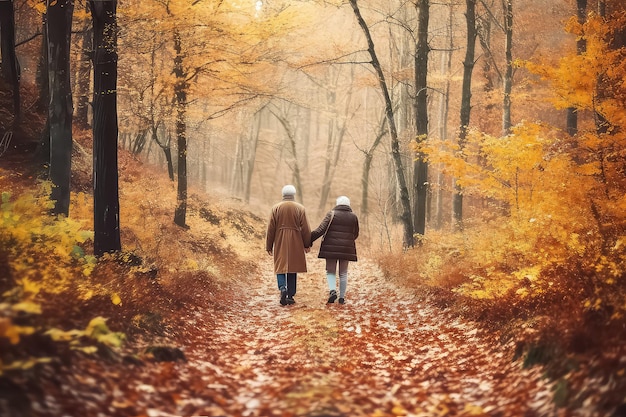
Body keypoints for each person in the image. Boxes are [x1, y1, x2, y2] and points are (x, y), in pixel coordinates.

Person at [266, 185, 311, 305]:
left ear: (283, 194)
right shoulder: (300, 208)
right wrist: (307, 243)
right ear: (294, 194)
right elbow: (305, 228)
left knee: (280, 264)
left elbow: (271, 228)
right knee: (293, 265)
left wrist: (269, 245)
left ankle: (282, 288)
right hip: (295, 239)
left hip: (279, 238)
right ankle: (290, 294)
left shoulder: (275, 208)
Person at [310, 195, 359, 304]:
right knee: (343, 273)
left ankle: (332, 290)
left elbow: (320, 230)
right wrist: (348, 241)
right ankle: (341, 298)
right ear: (348, 205)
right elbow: (355, 234)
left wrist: (308, 239)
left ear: (337, 204)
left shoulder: (331, 214)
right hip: (347, 248)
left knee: (330, 271)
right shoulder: (353, 217)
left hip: (330, 247)